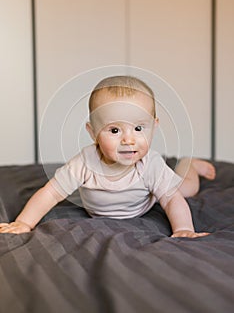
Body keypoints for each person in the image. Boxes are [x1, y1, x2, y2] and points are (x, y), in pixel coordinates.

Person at [0, 76, 215, 237]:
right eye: (114, 131)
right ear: (93, 133)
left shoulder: (151, 165)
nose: (129, 140)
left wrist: (184, 229)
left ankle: (189, 165)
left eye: (139, 128)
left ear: (154, 127)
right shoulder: (84, 162)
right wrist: (24, 223)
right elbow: (50, 194)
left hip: (146, 203)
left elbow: (170, 200)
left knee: (185, 190)